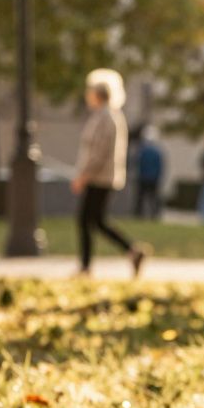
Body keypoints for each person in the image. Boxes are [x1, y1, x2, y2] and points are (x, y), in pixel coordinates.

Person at [71, 68, 146, 277]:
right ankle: (132, 250)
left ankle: (86, 267)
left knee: (87, 220)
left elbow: (99, 153)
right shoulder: (106, 117)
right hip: (101, 177)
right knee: (97, 221)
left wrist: (83, 176)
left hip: (99, 178)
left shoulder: (107, 118)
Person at [134, 125, 165, 219]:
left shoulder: (142, 151)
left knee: (141, 198)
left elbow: (138, 164)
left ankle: (139, 214)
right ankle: (154, 215)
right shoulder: (157, 151)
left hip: (144, 177)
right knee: (153, 198)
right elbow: (160, 166)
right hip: (153, 178)